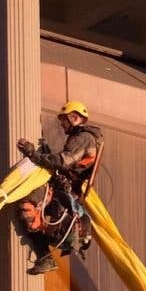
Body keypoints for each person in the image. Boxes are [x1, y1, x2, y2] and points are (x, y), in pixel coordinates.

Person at [16, 100, 104, 275]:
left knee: (27, 209)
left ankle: (45, 259)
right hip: (66, 189)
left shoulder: (84, 138)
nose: (62, 124)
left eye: (64, 120)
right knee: (30, 213)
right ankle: (45, 259)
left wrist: (34, 154)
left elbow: (64, 161)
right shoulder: (82, 138)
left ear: (75, 117)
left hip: (65, 190)